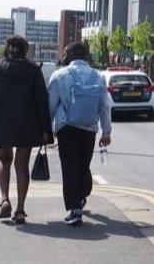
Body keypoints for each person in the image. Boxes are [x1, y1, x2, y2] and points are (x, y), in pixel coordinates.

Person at [0, 36, 52, 225]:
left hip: (1, 123)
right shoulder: (34, 71)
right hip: (27, 125)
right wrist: (46, 129)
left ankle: (4, 199)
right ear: (25, 50)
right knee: (21, 165)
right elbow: (41, 101)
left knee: (4, 160)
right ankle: (20, 210)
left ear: (7, 50)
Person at [48, 42, 111, 226]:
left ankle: (75, 209)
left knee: (70, 168)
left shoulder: (60, 75)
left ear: (73, 54)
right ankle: (82, 195)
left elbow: (51, 105)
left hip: (66, 127)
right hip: (89, 128)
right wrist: (106, 132)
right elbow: (105, 106)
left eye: (66, 52)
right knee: (83, 165)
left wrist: (47, 130)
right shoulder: (97, 77)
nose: (64, 54)